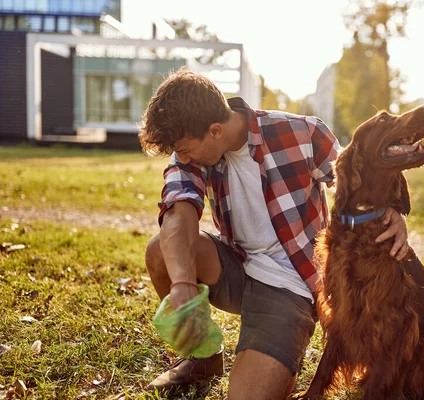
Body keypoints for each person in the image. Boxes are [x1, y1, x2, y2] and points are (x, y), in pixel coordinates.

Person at [138, 68, 410, 400]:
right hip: (238, 266)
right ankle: (203, 359)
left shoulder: (302, 133)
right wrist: (181, 284)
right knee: (160, 250)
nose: (182, 157)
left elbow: (359, 176)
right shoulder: (193, 156)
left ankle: (279, 356)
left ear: (215, 130)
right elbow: (178, 216)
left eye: (184, 149)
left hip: (291, 284)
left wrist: (394, 210)